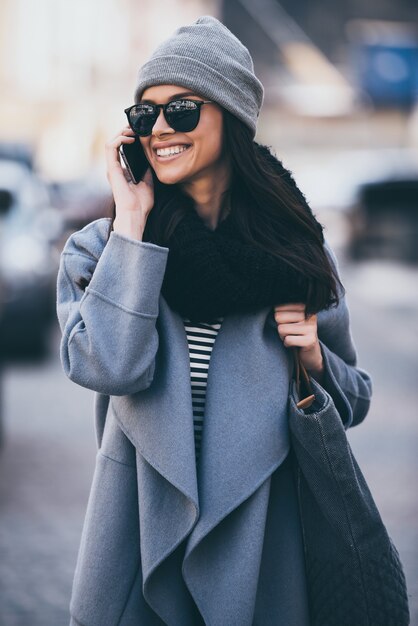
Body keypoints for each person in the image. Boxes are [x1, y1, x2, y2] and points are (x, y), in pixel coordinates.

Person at [57, 15, 372, 626]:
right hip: (136, 546)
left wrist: (313, 357)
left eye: (182, 108)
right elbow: (111, 365)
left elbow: (354, 400)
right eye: (145, 115)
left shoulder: (296, 260)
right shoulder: (103, 253)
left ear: (229, 115)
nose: (160, 130)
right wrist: (131, 221)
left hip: (262, 557)